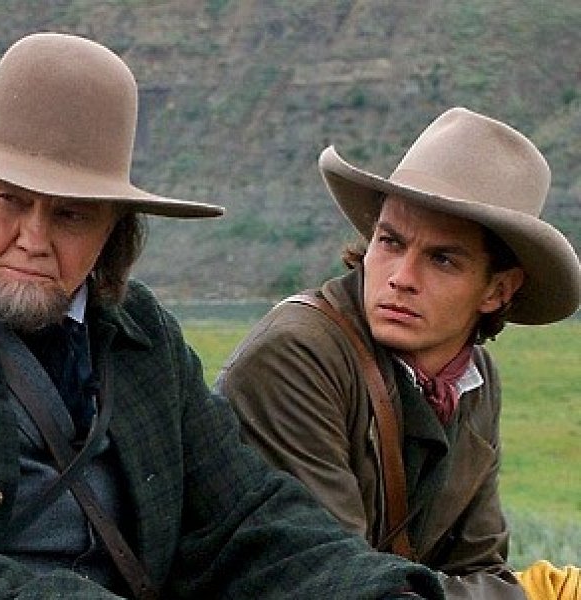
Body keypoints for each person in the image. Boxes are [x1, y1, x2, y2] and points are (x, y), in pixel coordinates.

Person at [0, 32, 443, 599]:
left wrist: (382, 592)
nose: (34, 237)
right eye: (11, 200)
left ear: (112, 231)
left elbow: (247, 519)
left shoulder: (139, 335)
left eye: (71, 214)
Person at [215, 107, 581, 600]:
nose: (401, 277)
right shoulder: (296, 356)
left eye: (442, 259)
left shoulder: (473, 378)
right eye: (390, 242)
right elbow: (333, 580)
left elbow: (478, 564)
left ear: (498, 290)